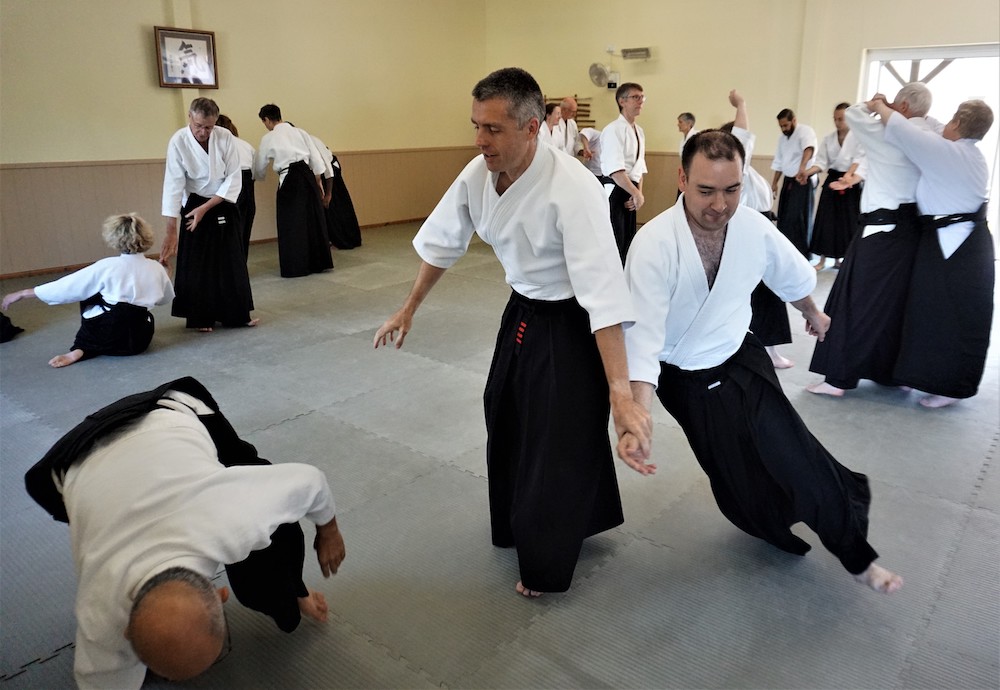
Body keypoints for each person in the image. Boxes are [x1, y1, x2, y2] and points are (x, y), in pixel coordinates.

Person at [373, 67, 653, 598]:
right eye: (476, 126)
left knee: (556, 438)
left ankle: (548, 562)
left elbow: (603, 295)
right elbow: (443, 241)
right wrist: (409, 307)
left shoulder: (573, 187)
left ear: (531, 128)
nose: (480, 140)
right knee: (503, 414)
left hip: (572, 324)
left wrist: (620, 388)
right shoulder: (479, 172)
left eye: (493, 129)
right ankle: (539, 520)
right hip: (522, 310)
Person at [624, 130, 903, 595]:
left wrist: (813, 314)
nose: (720, 204)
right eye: (706, 190)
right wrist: (638, 414)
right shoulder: (653, 245)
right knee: (735, 472)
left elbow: (790, 272)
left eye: (731, 190)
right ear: (681, 179)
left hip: (741, 358)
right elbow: (644, 339)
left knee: (794, 451)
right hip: (683, 377)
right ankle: (770, 525)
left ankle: (856, 556)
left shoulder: (752, 226)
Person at [23, 376, 346, 690]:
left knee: (273, 527)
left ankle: (292, 595)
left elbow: (310, 481)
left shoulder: (230, 514)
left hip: (167, 414)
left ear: (221, 598)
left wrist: (328, 530)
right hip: (70, 462)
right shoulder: (99, 615)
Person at [807, 83, 935, 399]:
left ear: (902, 105)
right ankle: (891, 374)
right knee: (894, 305)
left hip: (880, 231)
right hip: (912, 232)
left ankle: (839, 379)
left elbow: (853, 113)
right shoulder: (931, 134)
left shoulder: (890, 132)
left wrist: (877, 104)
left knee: (855, 302)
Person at [871, 98, 995, 408]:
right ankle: (926, 377)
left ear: (957, 124)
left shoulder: (948, 153)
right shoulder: (969, 151)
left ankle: (947, 387)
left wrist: (882, 106)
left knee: (948, 320)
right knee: (933, 316)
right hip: (955, 244)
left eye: (952, 120)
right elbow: (935, 128)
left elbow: (903, 129)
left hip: (956, 248)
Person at [3, 213, 174, 367]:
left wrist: (23, 293)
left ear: (114, 238)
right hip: (139, 340)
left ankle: (82, 348)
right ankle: (87, 348)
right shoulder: (155, 267)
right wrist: (166, 274)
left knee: (91, 293)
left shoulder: (107, 266)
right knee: (139, 311)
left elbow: (66, 287)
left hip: (107, 337)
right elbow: (163, 299)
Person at [159, 97, 257, 332]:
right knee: (197, 264)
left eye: (208, 127)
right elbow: (173, 183)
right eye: (199, 126)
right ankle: (200, 317)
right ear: (190, 118)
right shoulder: (179, 141)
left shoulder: (225, 137)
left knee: (231, 259)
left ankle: (237, 315)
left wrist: (207, 208)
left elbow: (234, 177)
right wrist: (171, 230)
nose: (203, 132)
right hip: (193, 202)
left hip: (221, 201)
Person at [721, 90, 795, 369]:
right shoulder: (736, 167)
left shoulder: (748, 172)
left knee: (768, 295)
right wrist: (741, 103)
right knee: (758, 296)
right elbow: (741, 135)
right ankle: (763, 351)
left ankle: (769, 350)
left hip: (762, 232)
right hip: (748, 236)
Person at [255, 104, 334, 278]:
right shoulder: (300, 132)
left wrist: (256, 176)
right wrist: (317, 183)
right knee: (312, 218)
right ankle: (318, 262)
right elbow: (316, 159)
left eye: (264, 122)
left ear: (267, 120)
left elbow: (260, 164)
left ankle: (297, 265)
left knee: (291, 222)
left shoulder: (269, 137)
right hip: (307, 175)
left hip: (289, 178)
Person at [803, 103, 864, 270]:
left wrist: (849, 176)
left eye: (841, 119)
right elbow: (821, 162)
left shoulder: (858, 137)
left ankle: (843, 259)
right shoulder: (829, 139)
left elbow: (859, 159)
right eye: (835, 119)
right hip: (833, 179)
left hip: (851, 181)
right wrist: (808, 172)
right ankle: (822, 260)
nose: (837, 122)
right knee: (826, 220)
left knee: (848, 223)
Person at [601, 82, 647, 264]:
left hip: (630, 190)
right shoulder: (613, 129)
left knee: (628, 241)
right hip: (615, 189)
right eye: (636, 97)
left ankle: (624, 280)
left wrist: (638, 194)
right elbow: (616, 170)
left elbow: (640, 168)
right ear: (622, 101)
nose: (640, 101)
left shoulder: (639, 131)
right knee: (614, 241)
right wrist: (635, 193)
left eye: (642, 97)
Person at [770, 108, 817, 257]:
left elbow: (808, 149)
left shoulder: (805, 131)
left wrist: (802, 168)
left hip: (802, 179)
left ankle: (802, 253)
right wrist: (775, 183)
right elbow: (779, 162)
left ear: (794, 120)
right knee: (784, 216)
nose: (784, 129)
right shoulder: (782, 139)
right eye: (781, 126)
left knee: (798, 216)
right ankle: (785, 251)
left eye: (786, 125)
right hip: (788, 180)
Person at [215, 114, 257, 260]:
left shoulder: (217, 145)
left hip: (229, 184)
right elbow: (255, 173)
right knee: (244, 226)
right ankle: (241, 263)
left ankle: (228, 264)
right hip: (248, 184)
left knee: (227, 228)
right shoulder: (246, 145)